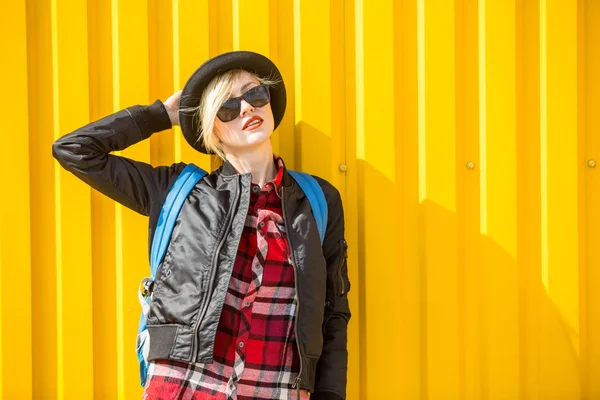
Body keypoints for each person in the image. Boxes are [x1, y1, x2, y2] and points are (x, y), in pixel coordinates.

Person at [52, 51, 351, 400]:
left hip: (278, 387)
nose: (246, 109)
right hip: (183, 385)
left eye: (255, 95)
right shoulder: (179, 191)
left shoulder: (317, 199)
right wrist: (159, 116)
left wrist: (327, 392)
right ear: (212, 129)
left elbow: (334, 311)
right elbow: (74, 150)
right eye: (227, 106)